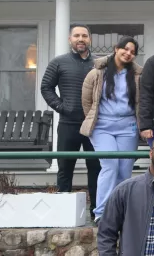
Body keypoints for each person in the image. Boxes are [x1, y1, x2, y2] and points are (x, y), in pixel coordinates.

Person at [40, 24, 101, 219]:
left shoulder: (99, 64)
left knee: (97, 170)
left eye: (84, 35)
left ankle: (96, 212)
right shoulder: (59, 62)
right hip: (68, 124)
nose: (81, 39)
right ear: (70, 39)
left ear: (89, 39)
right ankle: (62, 213)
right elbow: (46, 88)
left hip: (94, 126)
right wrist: (62, 107)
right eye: (77, 35)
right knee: (65, 168)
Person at [80, 36, 142, 222]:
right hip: (102, 127)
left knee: (124, 171)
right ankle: (102, 212)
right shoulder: (97, 73)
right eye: (125, 49)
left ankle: (120, 212)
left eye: (132, 52)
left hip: (128, 126)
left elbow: (140, 102)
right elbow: (87, 101)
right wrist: (95, 119)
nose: (128, 53)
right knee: (110, 165)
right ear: (116, 48)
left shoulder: (138, 75)